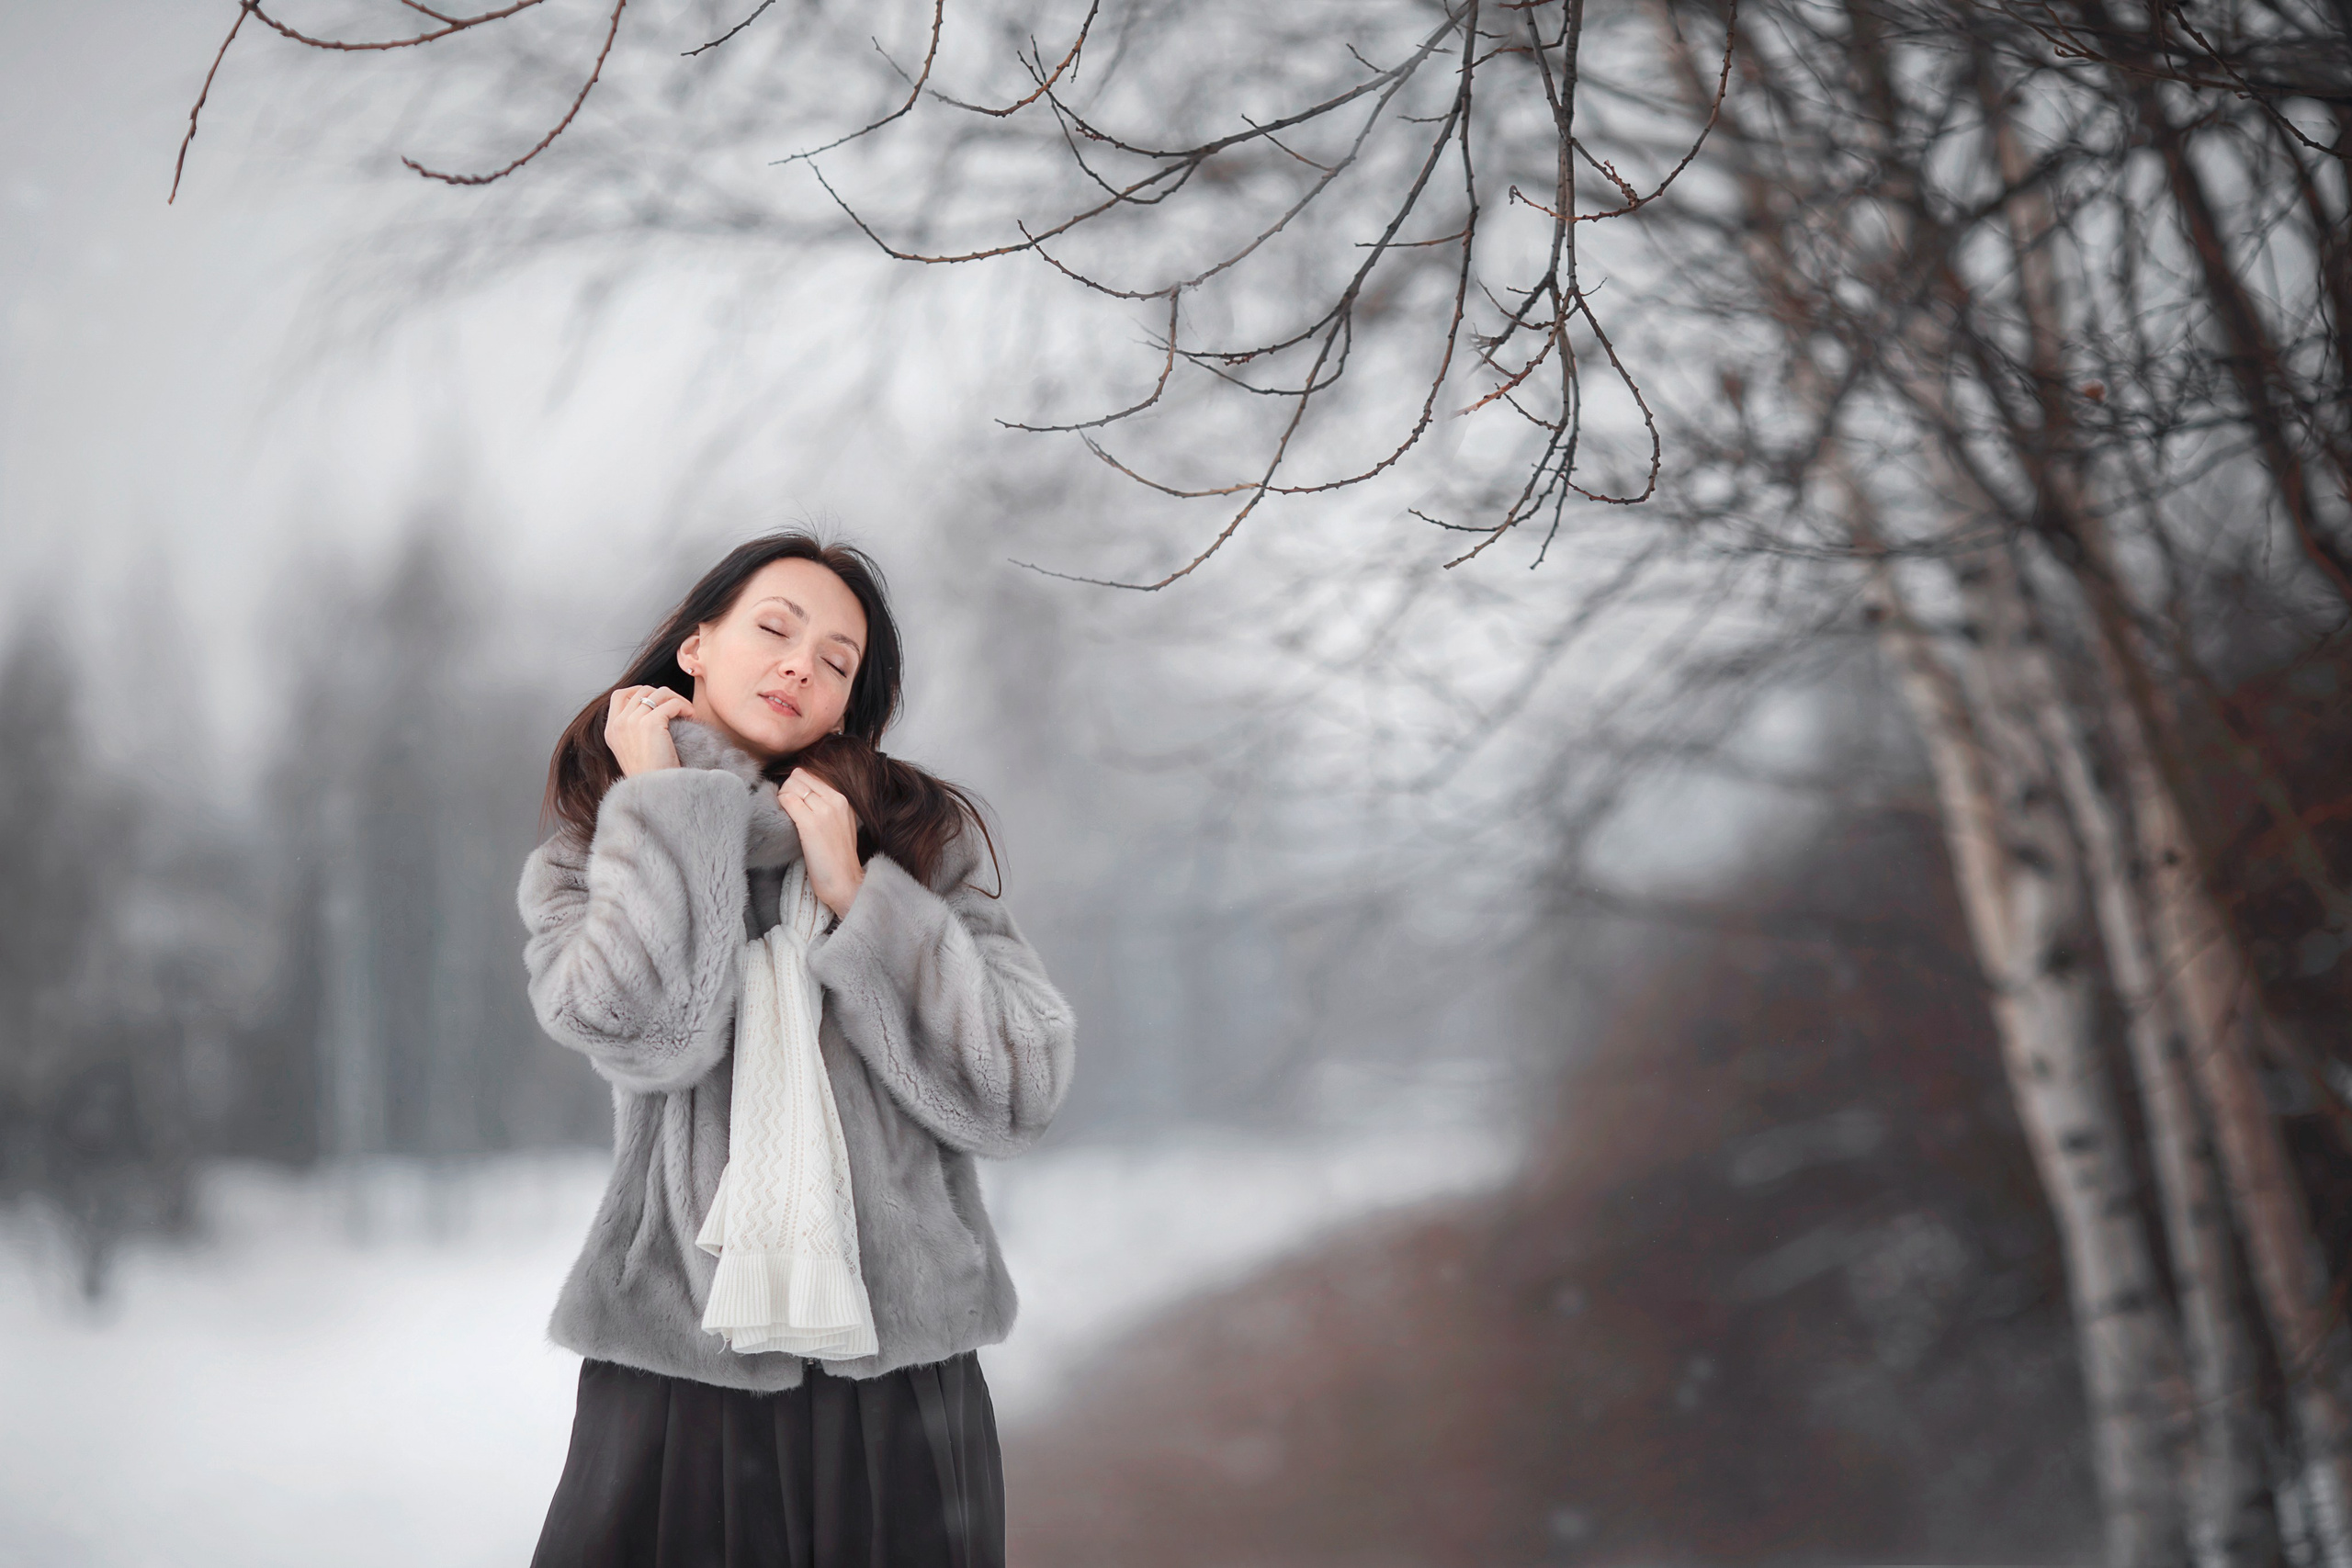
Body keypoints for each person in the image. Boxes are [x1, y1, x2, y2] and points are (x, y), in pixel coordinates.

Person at [516, 532, 1076, 1568]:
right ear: (695, 645)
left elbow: (1015, 1091)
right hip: (680, 1379)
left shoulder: (908, 844)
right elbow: (648, 1033)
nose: (799, 667)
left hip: (900, 1386)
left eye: (836, 661)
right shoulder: (594, 850)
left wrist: (861, 902)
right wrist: (668, 811)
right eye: (774, 629)